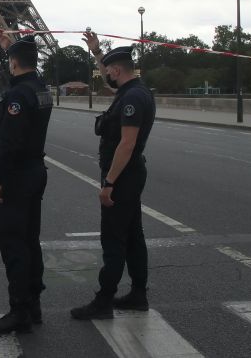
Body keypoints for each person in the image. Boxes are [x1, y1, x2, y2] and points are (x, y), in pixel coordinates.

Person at [71, 35, 156, 320]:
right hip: (133, 175)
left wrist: (109, 183)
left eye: (108, 70)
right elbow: (110, 85)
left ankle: (104, 301)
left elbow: (127, 144)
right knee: (133, 236)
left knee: (114, 239)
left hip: (123, 177)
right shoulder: (136, 90)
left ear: (117, 71)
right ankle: (138, 294)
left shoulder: (131, 98)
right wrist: (97, 52)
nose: (106, 74)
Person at [0, 33, 54, 334]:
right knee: (30, 240)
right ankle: (33, 303)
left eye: (10, 60)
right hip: (36, 170)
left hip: (17, 175)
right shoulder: (41, 91)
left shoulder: (17, 96)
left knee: (13, 243)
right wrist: (11, 46)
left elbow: (9, 144)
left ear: (13, 63)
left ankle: (19, 310)